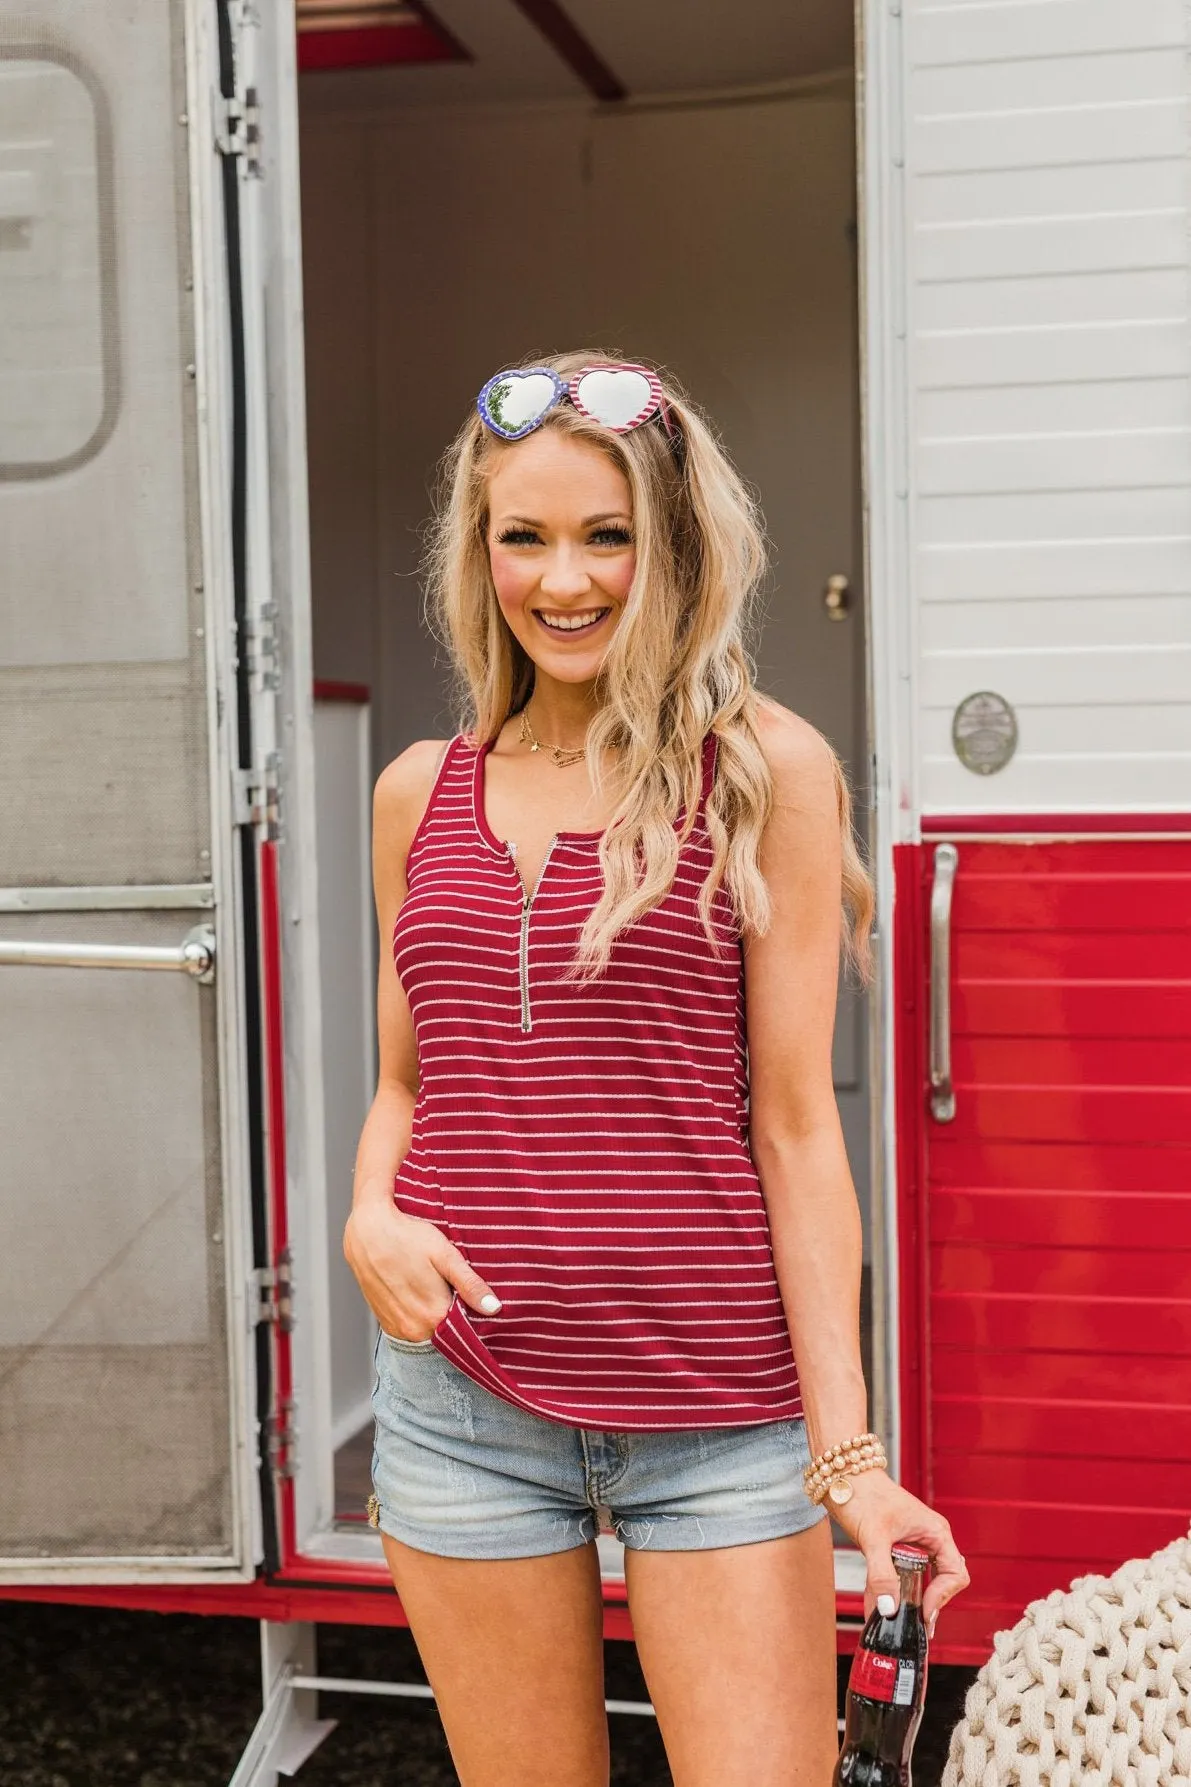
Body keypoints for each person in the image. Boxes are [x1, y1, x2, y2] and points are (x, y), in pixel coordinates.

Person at [344, 351, 969, 1787]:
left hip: (718, 1426)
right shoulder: (413, 794)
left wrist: (849, 1457)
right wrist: (369, 1211)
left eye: (605, 535)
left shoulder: (762, 772)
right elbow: (406, 1081)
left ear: (674, 548)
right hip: (462, 1413)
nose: (564, 581)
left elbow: (797, 1130)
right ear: (479, 551)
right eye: (526, 536)